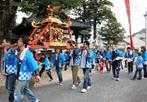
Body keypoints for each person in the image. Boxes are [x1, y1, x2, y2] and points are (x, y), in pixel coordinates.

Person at [14, 36, 41, 102]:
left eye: (20, 41)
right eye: (18, 40)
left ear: (24, 43)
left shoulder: (27, 53)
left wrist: (37, 74)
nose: (18, 41)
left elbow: (33, 64)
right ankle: (35, 100)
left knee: (17, 93)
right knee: (25, 90)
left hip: (24, 76)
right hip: (20, 75)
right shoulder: (20, 51)